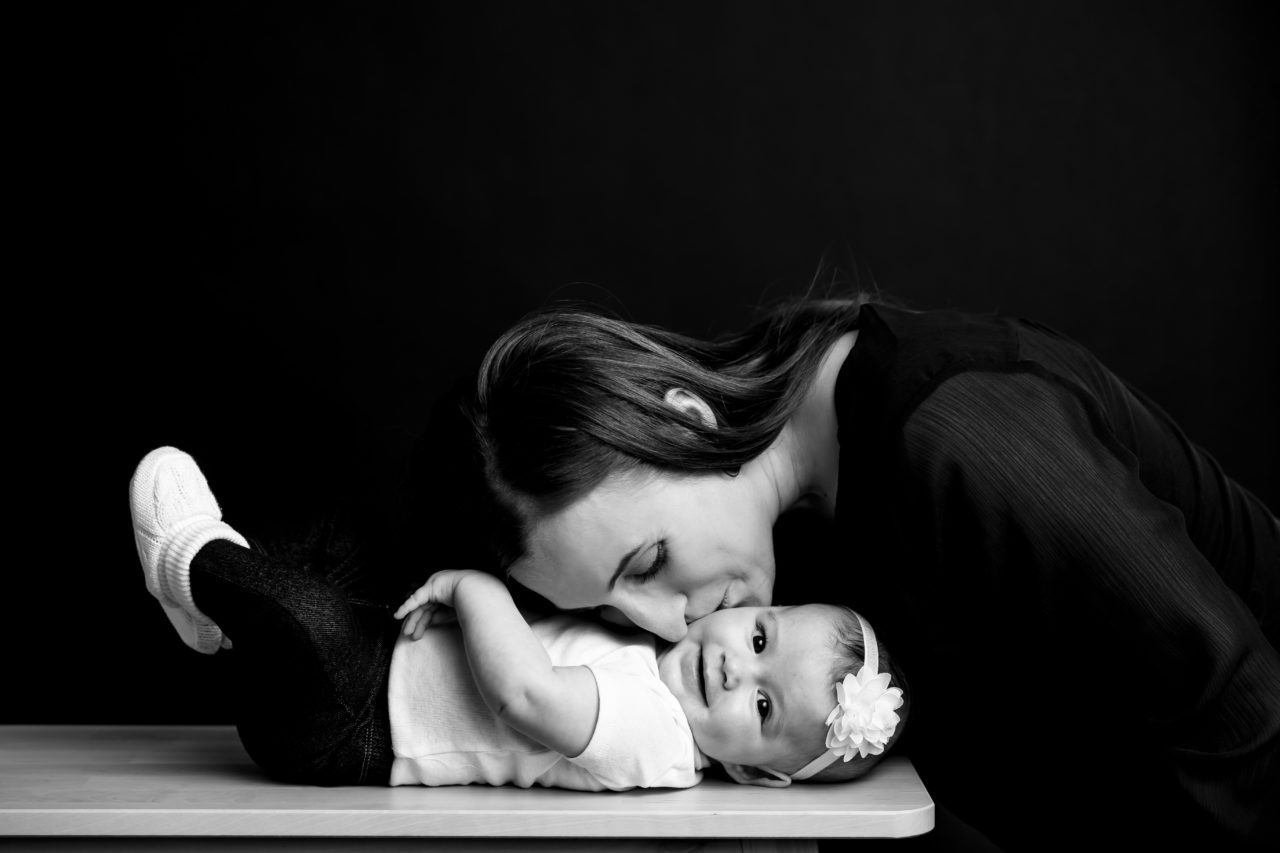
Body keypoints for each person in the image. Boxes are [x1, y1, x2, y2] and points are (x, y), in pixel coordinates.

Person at [433, 293, 1277, 849]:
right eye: (615, 611)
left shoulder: (960, 436)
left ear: (684, 420)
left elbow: (1244, 710)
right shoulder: (777, 523)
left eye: (650, 562)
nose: (666, 623)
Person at [129, 446, 909, 792]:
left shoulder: (658, 738)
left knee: (313, 619)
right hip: (385, 648)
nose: (738, 666)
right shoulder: (666, 654)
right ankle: (219, 617)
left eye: (762, 707)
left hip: (351, 726)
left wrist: (474, 588)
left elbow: (526, 696)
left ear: (748, 770)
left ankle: (188, 558)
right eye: (762, 637)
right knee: (347, 536)